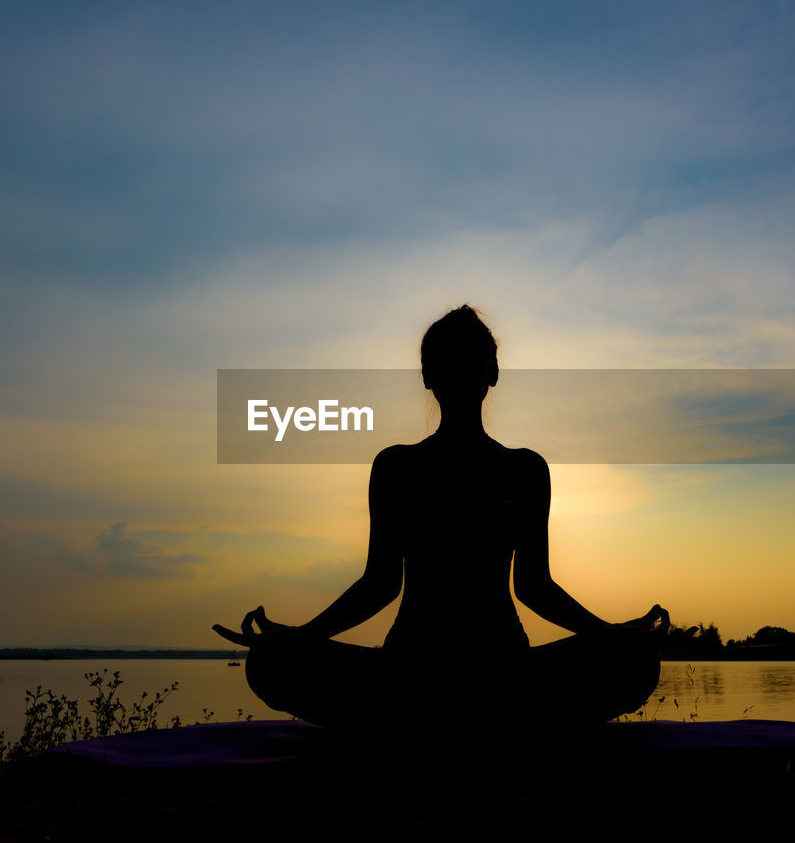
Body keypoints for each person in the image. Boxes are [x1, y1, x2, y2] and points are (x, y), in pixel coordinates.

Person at [214, 305, 669, 732]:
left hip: (475, 672)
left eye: (466, 362)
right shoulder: (406, 467)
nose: (460, 373)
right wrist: (299, 640)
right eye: (454, 362)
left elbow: (389, 585)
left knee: (636, 659)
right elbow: (522, 588)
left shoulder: (516, 469)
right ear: (487, 375)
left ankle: (426, 719)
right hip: (431, 671)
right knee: (270, 661)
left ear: (432, 377)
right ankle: (497, 718)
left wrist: (614, 638)